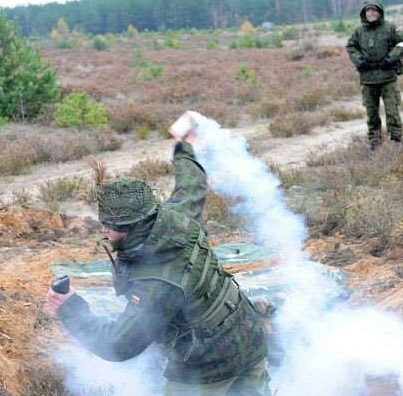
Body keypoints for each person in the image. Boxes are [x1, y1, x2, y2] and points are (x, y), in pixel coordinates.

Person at [45, 122, 270, 396]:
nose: (104, 229)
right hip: (249, 337)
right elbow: (192, 182)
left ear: (133, 226)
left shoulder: (156, 282)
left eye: (111, 225)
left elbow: (118, 346)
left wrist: (70, 307)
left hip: (207, 368)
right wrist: (183, 146)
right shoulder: (176, 217)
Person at [346, 0, 403, 150]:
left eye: (374, 10)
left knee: (392, 111)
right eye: (368, 11)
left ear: (380, 12)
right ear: (364, 13)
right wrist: (360, 62)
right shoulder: (359, 31)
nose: (371, 13)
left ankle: (396, 141)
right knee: (372, 114)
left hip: (388, 78)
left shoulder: (390, 28)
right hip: (368, 79)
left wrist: (390, 59)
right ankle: (374, 141)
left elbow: (402, 44)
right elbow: (350, 47)